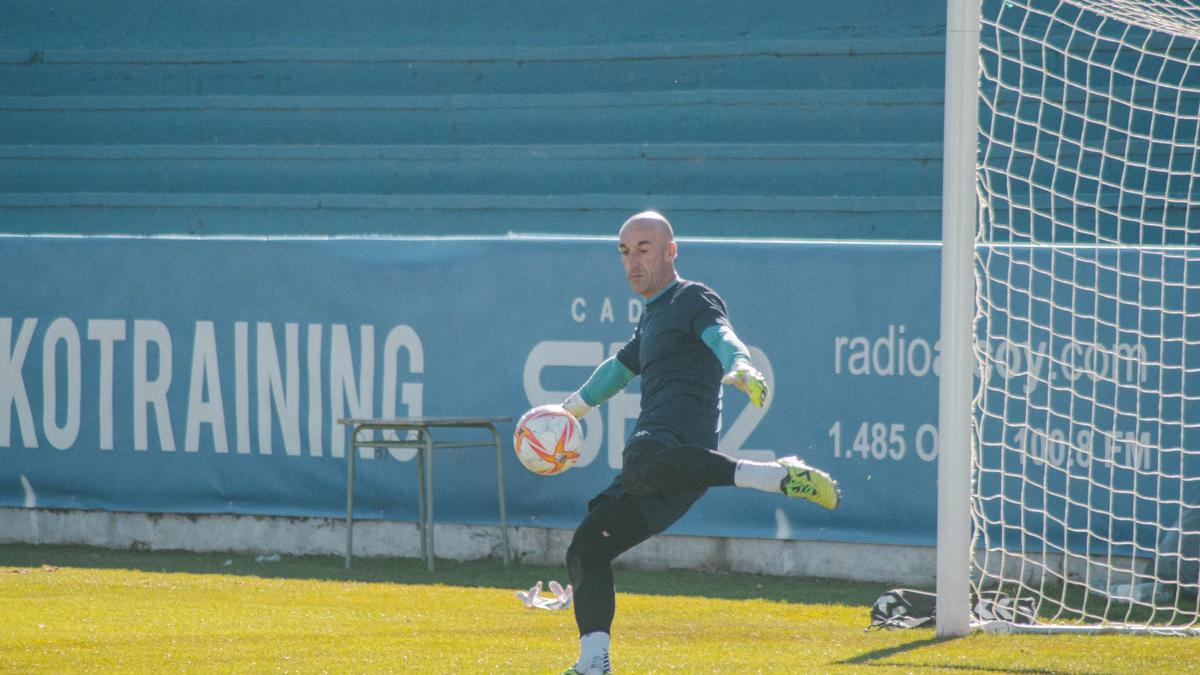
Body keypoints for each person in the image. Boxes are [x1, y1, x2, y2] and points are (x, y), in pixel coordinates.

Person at [558, 211, 841, 675]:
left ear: (671, 251)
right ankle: (594, 663)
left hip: (676, 446)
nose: (633, 261)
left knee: (639, 461)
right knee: (587, 546)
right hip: (673, 472)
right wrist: (566, 412)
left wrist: (743, 365)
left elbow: (723, 336)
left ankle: (774, 476)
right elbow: (617, 370)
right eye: (625, 252)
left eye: (644, 249)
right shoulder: (651, 318)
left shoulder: (692, 296)